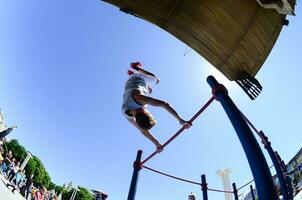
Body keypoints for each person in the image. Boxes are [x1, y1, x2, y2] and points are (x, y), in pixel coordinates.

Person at [122, 62, 191, 152]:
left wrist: (181, 120)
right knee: (150, 91)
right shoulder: (126, 113)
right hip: (128, 86)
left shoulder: (140, 99)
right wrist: (157, 143)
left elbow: (164, 104)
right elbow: (143, 130)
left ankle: (136, 68)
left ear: (145, 112)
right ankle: (142, 82)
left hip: (136, 79)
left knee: (157, 80)